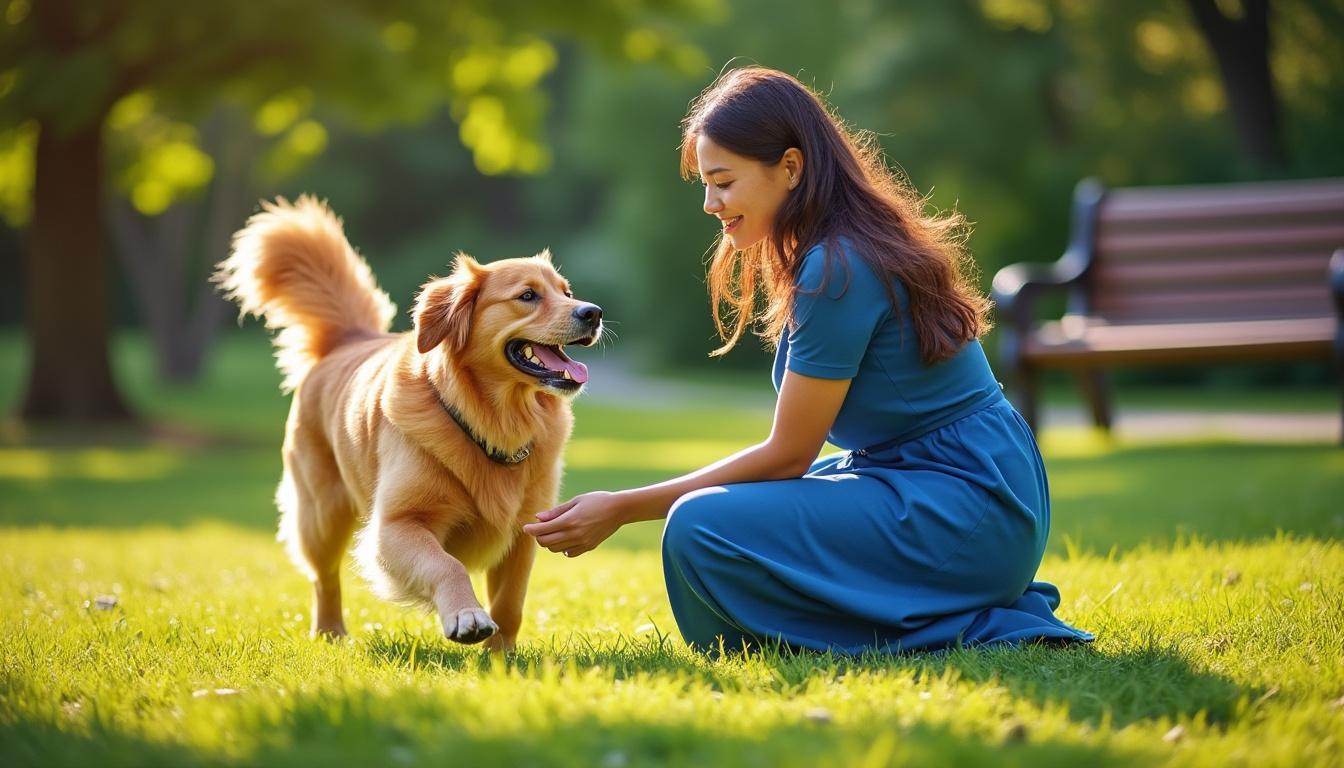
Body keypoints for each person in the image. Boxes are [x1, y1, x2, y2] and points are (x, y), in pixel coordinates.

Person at [523, 66, 1093, 655]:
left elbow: (790, 455)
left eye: (722, 181)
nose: (709, 203)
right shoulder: (839, 248)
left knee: (699, 524)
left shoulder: (837, 267)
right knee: (724, 516)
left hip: (966, 505)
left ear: (791, 168)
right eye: (704, 183)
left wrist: (620, 508)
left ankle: (964, 623)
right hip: (960, 490)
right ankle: (931, 611)